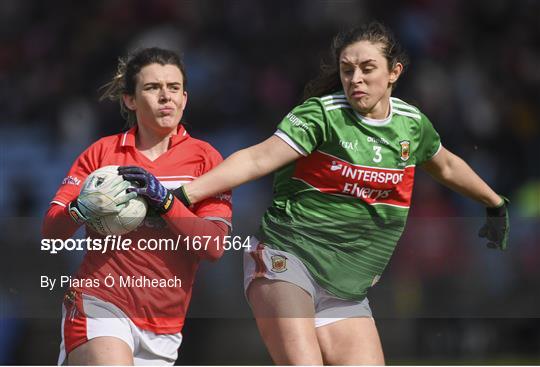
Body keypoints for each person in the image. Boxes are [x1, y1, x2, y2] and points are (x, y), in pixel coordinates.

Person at [172, 22, 510, 365]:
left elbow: (447, 166)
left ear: (394, 72)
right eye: (347, 70)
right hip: (287, 260)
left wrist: (494, 203)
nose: (355, 78)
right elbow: (258, 157)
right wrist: (184, 195)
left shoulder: (411, 124)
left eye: (367, 68)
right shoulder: (322, 115)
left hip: (347, 289)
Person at [42, 47, 232, 365]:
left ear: (185, 98)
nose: (165, 97)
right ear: (130, 99)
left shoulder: (206, 159)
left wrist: (167, 202)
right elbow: (51, 232)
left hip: (165, 326)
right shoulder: (100, 155)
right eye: (152, 87)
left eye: (173, 88)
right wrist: (81, 209)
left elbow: (212, 247)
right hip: (101, 301)